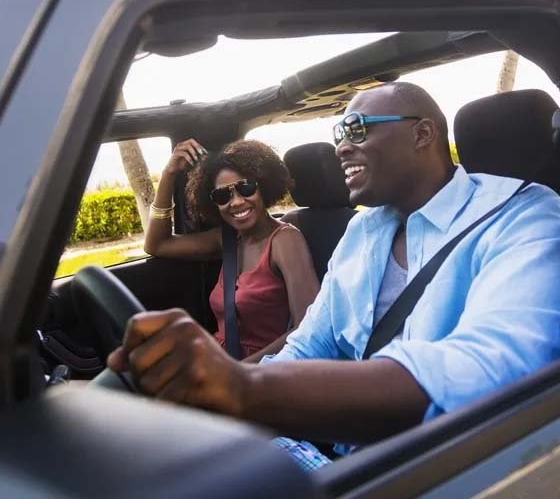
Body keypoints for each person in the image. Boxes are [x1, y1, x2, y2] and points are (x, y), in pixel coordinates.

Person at [109, 82, 560, 464]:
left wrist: (242, 387)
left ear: (422, 134)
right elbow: (312, 341)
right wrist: (217, 400)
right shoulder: (364, 229)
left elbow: (485, 371)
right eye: (339, 132)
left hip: (444, 462)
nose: (341, 145)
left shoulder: (526, 218)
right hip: (343, 453)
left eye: (357, 129)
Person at [144, 138, 319, 362]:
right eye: (222, 195)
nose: (236, 202)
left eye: (246, 188)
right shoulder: (227, 239)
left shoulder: (285, 241)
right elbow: (156, 244)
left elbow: (307, 328)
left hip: (265, 372)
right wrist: (169, 174)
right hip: (220, 363)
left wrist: (238, 372)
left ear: (264, 187)